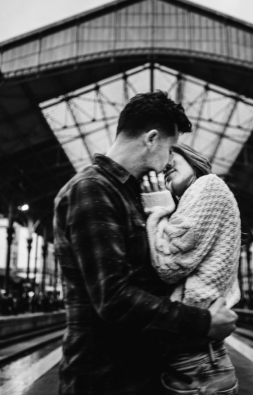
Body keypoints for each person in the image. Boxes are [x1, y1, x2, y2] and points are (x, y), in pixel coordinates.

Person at [54, 91, 238, 395]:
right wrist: (202, 322)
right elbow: (113, 298)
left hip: (139, 373)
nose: (168, 161)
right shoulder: (92, 189)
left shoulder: (128, 193)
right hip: (104, 379)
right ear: (151, 139)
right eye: (169, 149)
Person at [141, 143, 240, 395]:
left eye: (170, 156)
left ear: (190, 157)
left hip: (197, 363)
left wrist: (156, 205)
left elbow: (169, 265)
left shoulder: (208, 186)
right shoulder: (191, 199)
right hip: (198, 357)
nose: (165, 166)